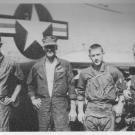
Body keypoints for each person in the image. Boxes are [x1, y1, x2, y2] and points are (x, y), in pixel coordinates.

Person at [27, 35, 77, 131]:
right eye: (47, 47)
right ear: (43, 48)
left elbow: (71, 86)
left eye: (52, 47)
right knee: (44, 130)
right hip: (43, 105)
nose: (49, 49)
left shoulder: (65, 64)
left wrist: (73, 109)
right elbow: (30, 84)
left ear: (56, 48)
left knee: (63, 130)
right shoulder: (37, 66)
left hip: (61, 104)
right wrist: (33, 99)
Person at [77, 43, 131, 131]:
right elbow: (80, 93)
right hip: (91, 111)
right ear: (89, 56)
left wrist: (120, 106)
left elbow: (122, 89)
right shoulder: (84, 73)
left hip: (108, 111)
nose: (96, 58)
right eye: (93, 55)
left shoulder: (113, 71)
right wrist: (80, 112)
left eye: (98, 54)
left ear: (103, 54)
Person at [0, 37, 24, 131]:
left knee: (2, 130)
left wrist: (13, 97)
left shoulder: (10, 62)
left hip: (2, 104)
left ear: (0, 45)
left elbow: (20, 82)